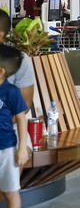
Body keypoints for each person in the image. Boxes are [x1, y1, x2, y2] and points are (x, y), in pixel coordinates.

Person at [0, 42, 29, 208]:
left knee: (10, 192)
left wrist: (22, 148)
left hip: (6, 150)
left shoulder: (11, 92)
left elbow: (21, 118)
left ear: (1, 71)